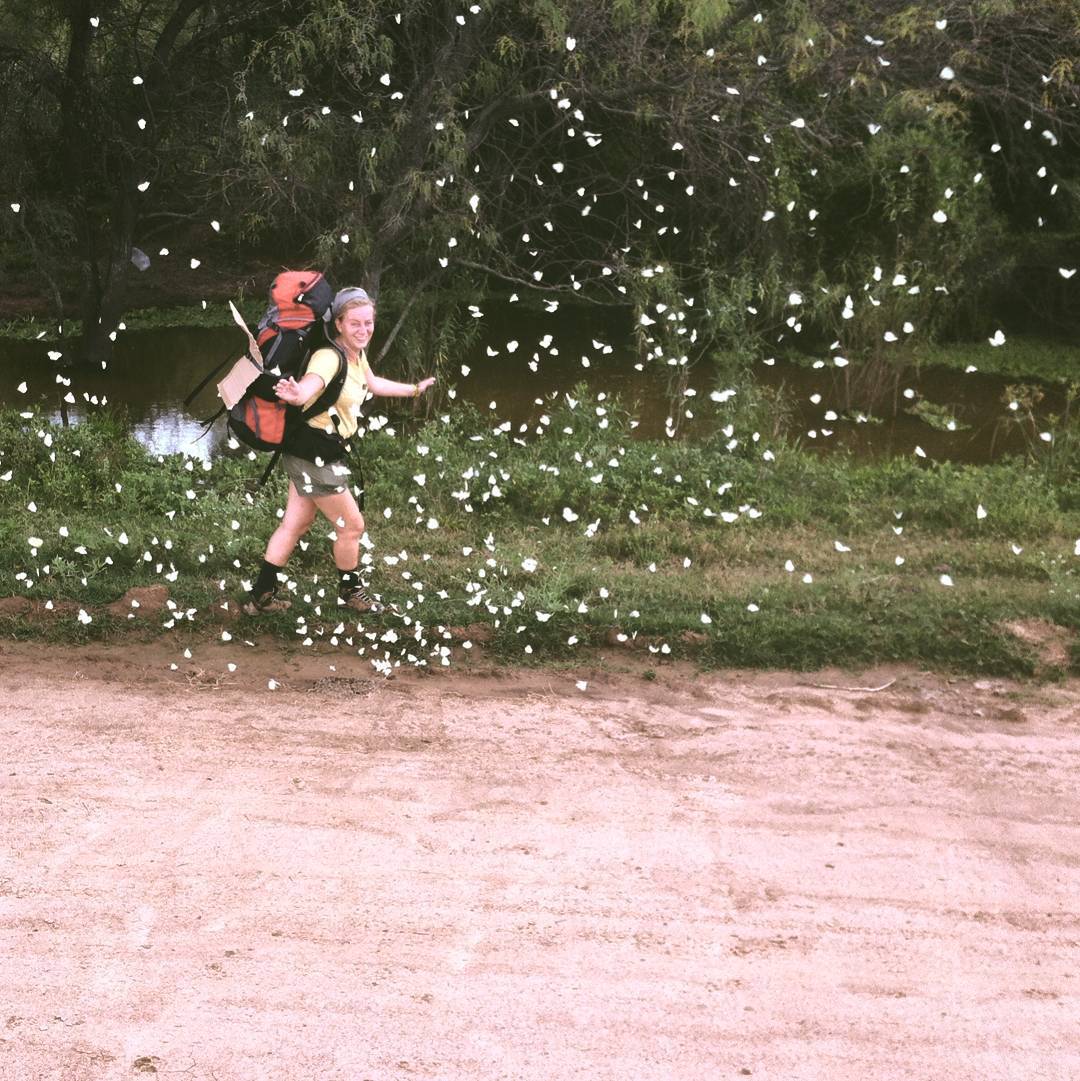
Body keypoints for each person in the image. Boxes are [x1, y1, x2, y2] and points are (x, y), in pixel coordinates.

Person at [242, 286, 435, 615]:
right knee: (352, 527)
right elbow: (310, 386)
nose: (364, 331)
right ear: (340, 324)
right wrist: (295, 393)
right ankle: (351, 593)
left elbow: (373, 385)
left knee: (295, 524)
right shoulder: (328, 357)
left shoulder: (355, 354)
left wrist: (414, 389)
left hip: (309, 450)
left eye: (369, 323)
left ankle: (260, 596)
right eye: (356, 324)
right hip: (314, 454)